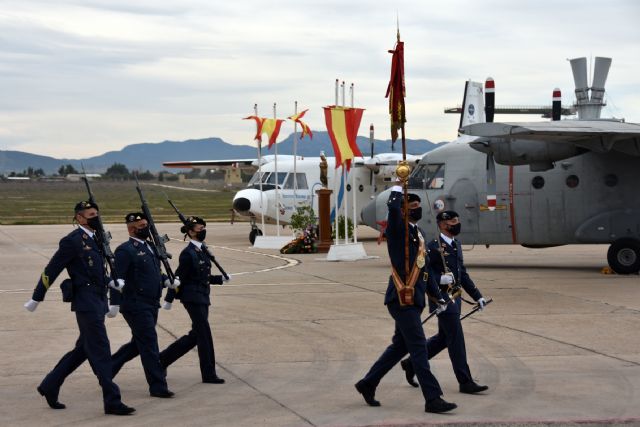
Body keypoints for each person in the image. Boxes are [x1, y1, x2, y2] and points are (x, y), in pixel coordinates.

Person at [22, 201, 135, 416]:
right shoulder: (72, 242)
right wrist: (37, 297)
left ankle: (50, 385)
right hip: (86, 303)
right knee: (101, 350)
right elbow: (51, 270)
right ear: (80, 218)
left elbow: (95, 272)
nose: (96, 218)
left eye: (98, 214)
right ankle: (112, 400)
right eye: (92, 214)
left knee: (83, 349)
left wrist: (111, 283)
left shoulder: (96, 239)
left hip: (98, 301)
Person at [354, 184, 458, 414]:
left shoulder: (417, 233)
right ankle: (433, 398)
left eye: (419, 206)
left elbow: (424, 268)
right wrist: (395, 193)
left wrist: (438, 297)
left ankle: (368, 383)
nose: (417, 209)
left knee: (400, 345)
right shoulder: (397, 230)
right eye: (412, 206)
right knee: (419, 348)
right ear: (403, 210)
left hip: (414, 299)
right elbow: (392, 210)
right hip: (402, 300)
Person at [399, 210, 489, 394]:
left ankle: (411, 364)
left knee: (444, 338)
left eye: (457, 220)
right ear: (442, 224)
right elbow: (424, 272)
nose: (456, 223)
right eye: (452, 221)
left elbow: (462, 273)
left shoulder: (456, 244)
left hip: (456, 297)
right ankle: (465, 381)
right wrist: (439, 279)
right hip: (441, 299)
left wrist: (477, 296)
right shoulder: (432, 247)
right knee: (456, 338)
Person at [110, 212, 178, 398]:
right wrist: (114, 303)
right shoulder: (125, 250)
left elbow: (154, 272)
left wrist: (166, 281)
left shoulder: (150, 247)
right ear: (131, 229)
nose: (146, 229)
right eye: (142, 226)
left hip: (151, 302)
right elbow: (116, 279)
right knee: (149, 343)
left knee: (138, 344)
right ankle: (157, 386)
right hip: (135, 304)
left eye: (146, 225)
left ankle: (106, 370)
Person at [159, 216, 227, 384]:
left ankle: (163, 360)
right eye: (199, 228)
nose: (203, 231)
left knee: (196, 335)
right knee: (204, 334)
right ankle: (208, 373)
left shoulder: (202, 249)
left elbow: (202, 276)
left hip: (203, 296)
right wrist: (169, 298)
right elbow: (179, 277)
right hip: (192, 297)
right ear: (190, 232)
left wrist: (220, 279)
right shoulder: (188, 253)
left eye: (204, 227)